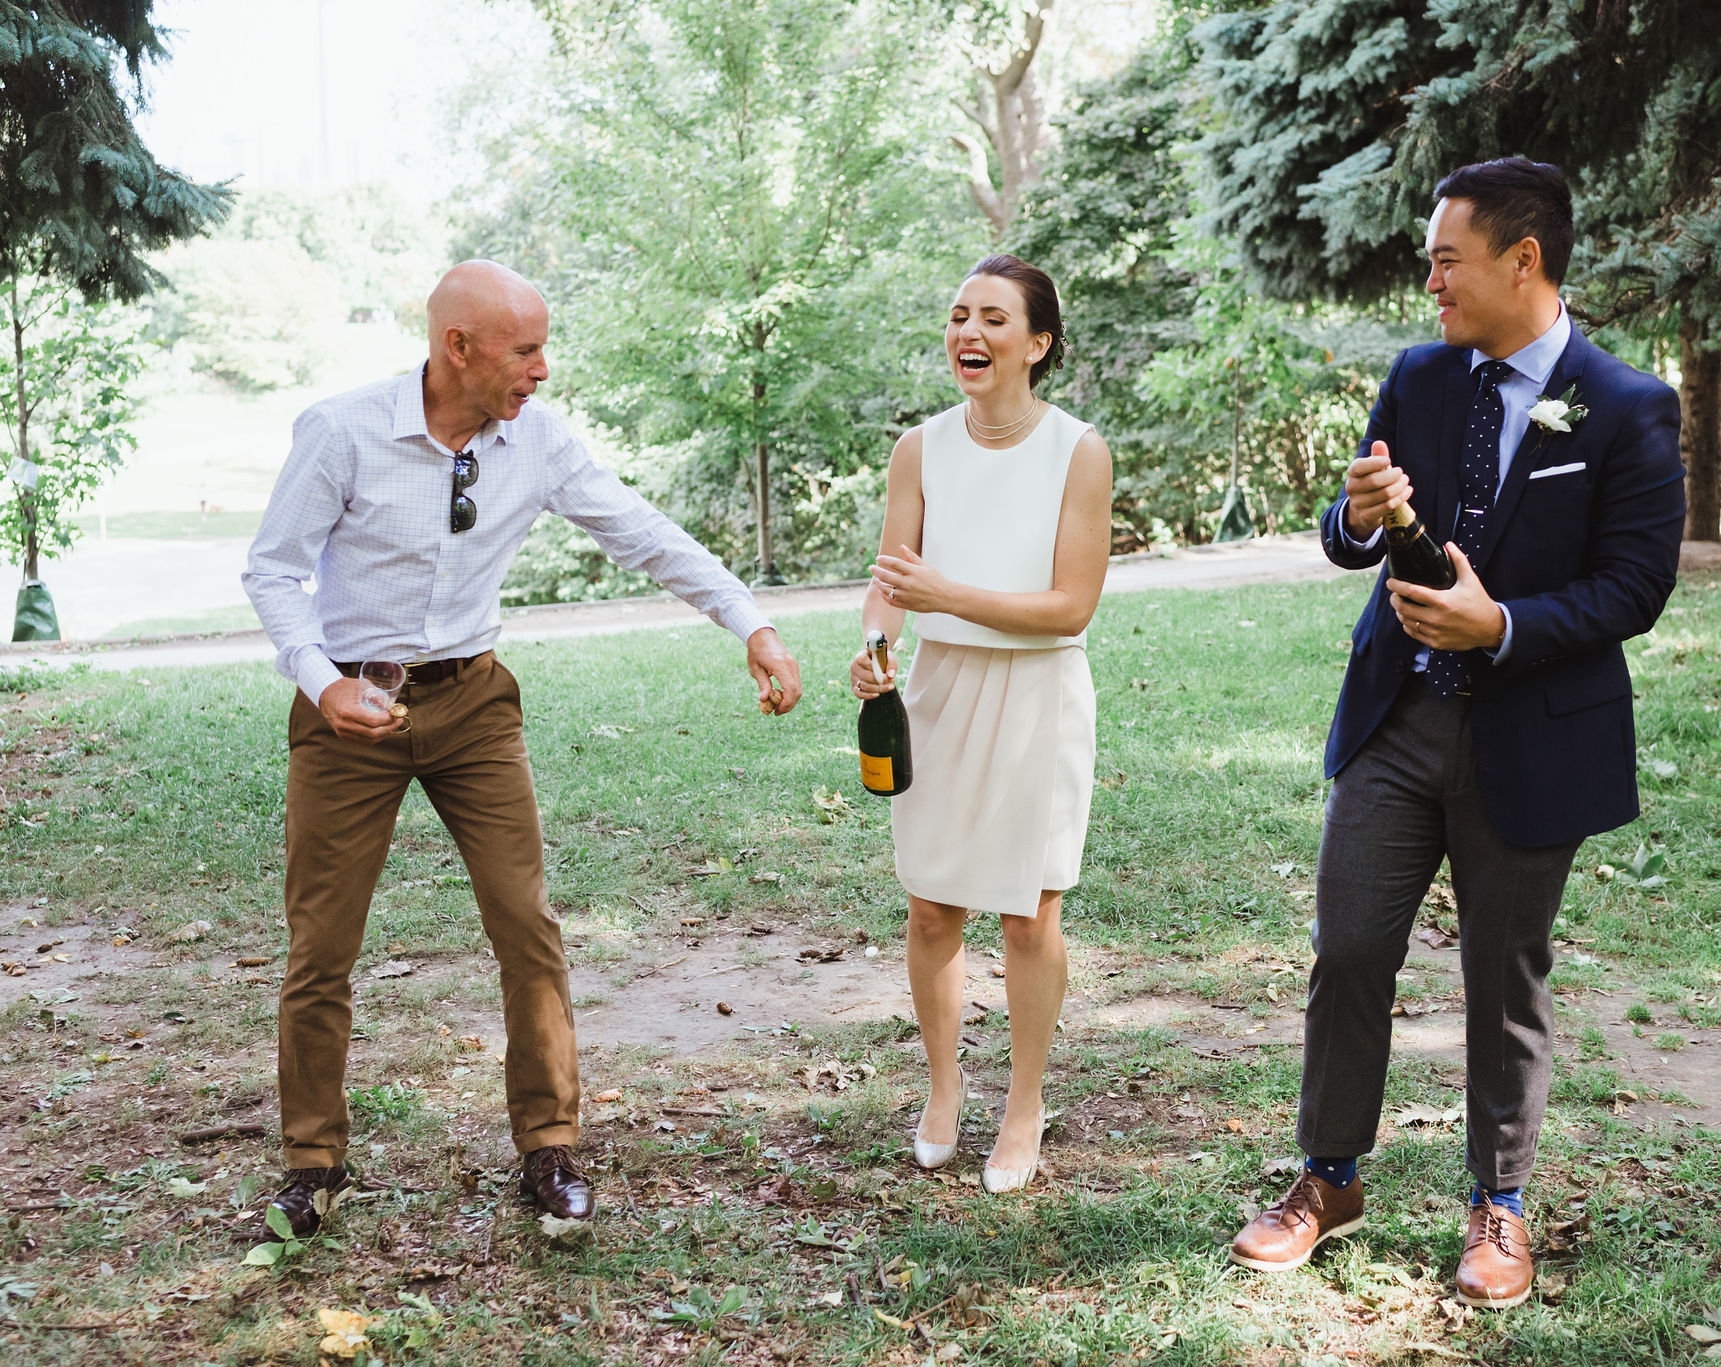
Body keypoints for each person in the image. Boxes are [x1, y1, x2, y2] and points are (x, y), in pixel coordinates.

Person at [242, 260, 802, 1241]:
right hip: (348, 709)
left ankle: (549, 1146)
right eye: (526, 347)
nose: (543, 368)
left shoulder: (534, 439)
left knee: (527, 926)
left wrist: (748, 621)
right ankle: (312, 1162)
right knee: (321, 947)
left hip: (472, 705)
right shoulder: (343, 431)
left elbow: (642, 531)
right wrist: (320, 677)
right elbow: (274, 568)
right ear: (458, 347)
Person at [1227, 159, 1685, 1307]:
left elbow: (1633, 588)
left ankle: (1499, 1204)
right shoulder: (1420, 379)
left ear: (1519, 261)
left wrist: (1503, 624)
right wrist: (1354, 514)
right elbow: (1349, 533)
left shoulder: (1625, 405)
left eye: (1445, 257)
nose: (1427, 278)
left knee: (1503, 973)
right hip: (1397, 716)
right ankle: (1327, 1175)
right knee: (1348, 949)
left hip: (1532, 734)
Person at [849, 254, 1111, 1193]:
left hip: (1039, 690)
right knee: (930, 903)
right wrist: (876, 646)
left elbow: (1070, 605)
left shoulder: (1077, 449)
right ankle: (945, 1086)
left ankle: (1025, 1103)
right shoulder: (920, 447)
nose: (970, 333)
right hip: (938, 688)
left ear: (1037, 344)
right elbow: (890, 585)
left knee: (1030, 913)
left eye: (994, 319)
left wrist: (943, 592)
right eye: (960, 315)